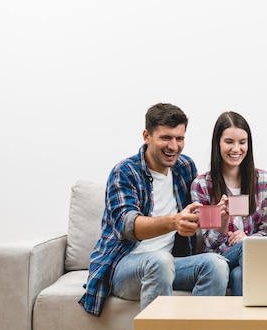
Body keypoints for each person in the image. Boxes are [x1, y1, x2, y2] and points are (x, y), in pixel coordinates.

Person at [79, 103, 229, 317]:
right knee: (159, 260)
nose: (174, 146)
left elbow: (193, 215)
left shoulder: (185, 167)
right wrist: (174, 222)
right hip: (124, 265)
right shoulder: (124, 172)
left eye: (180, 138)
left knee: (216, 264)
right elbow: (129, 226)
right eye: (165, 138)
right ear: (146, 136)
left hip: (170, 263)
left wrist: (218, 214)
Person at [190, 111, 267, 296]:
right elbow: (209, 243)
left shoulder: (263, 180)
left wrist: (248, 239)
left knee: (238, 274)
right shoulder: (203, 185)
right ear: (218, 143)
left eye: (242, 142)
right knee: (244, 251)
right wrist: (222, 224)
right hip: (219, 259)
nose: (236, 149)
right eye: (229, 142)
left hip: (252, 257)